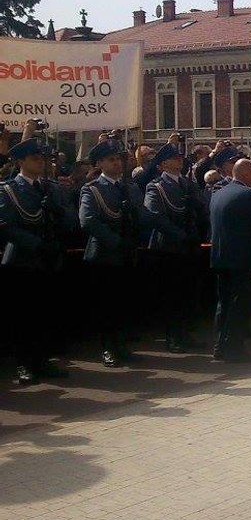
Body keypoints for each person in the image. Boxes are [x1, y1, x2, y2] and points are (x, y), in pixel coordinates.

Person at [0, 139, 75, 385]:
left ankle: (42, 361)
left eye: (42, 159)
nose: (40, 162)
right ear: (20, 162)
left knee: (46, 313)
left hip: (49, 259)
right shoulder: (8, 190)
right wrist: (36, 244)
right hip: (22, 259)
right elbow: (6, 226)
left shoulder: (52, 189)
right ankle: (24, 364)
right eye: (34, 159)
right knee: (24, 315)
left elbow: (72, 222)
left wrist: (58, 212)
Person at [79, 139, 146, 367]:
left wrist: (135, 229)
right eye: (111, 160)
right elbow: (88, 221)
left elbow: (141, 216)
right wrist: (116, 241)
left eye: (118, 159)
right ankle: (108, 347)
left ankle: (121, 345)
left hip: (127, 252)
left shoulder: (130, 187)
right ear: (100, 163)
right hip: (104, 255)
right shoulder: (93, 189)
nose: (117, 164)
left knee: (123, 302)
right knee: (106, 305)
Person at [143, 143, 206, 353]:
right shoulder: (156, 186)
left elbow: (201, 209)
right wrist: (180, 236)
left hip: (189, 246)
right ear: (162, 165)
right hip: (169, 247)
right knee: (172, 295)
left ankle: (185, 333)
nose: (179, 160)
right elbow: (155, 216)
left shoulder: (189, 184)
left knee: (188, 293)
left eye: (179, 157)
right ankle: (173, 336)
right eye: (173, 158)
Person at [208, 158, 251, 362]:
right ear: (245, 174)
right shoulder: (248, 194)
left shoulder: (218, 194)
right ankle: (234, 348)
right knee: (239, 304)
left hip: (220, 258)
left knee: (223, 303)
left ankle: (219, 346)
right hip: (243, 260)